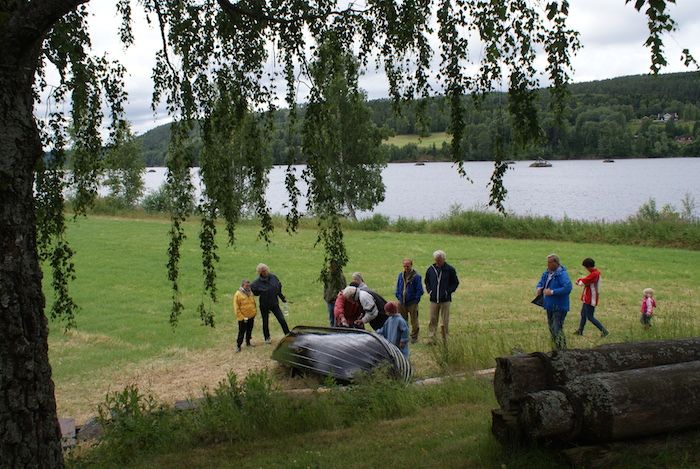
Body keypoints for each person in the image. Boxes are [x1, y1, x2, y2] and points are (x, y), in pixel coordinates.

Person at [536, 253, 572, 350]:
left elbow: (567, 288)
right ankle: (555, 349)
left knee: (557, 329)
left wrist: (552, 292)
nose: (547, 265)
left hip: (559, 306)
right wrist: (539, 287)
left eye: (549, 263)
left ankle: (563, 350)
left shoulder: (562, 274)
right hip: (549, 305)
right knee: (552, 329)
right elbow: (541, 282)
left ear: (555, 263)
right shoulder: (547, 273)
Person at [424, 250, 459, 343]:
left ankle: (445, 338)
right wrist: (430, 291)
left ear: (443, 259)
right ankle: (432, 338)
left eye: (439, 260)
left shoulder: (450, 269)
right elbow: (426, 281)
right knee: (432, 319)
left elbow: (455, 283)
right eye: (436, 260)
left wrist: (448, 292)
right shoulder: (431, 269)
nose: (437, 262)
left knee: (445, 320)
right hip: (434, 300)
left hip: (445, 300)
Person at [250, 263, 290, 344]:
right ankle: (267, 338)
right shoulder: (256, 283)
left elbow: (278, 289)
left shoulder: (273, 277)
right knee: (265, 322)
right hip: (264, 305)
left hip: (274, 303)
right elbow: (254, 292)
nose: (265, 272)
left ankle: (287, 334)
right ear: (260, 272)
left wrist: (283, 298)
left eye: (266, 270)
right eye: (263, 271)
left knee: (282, 319)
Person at [574, 258, 609, 337]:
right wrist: (581, 280)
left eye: (586, 268)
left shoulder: (594, 274)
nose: (586, 269)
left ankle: (604, 331)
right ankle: (580, 330)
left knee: (590, 317)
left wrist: (579, 281)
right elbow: (585, 280)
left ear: (589, 267)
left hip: (590, 298)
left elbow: (583, 282)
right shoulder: (595, 273)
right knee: (583, 314)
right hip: (587, 297)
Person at [395, 258, 424, 343]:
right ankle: (404, 336)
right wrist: (398, 296)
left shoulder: (416, 277)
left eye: (407, 266)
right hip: (401, 302)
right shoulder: (400, 275)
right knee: (402, 320)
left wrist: (416, 300)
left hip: (412, 303)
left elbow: (420, 290)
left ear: (411, 265)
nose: (406, 268)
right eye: (404, 266)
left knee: (414, 321)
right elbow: (398, 286)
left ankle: (414, 337)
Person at [233, 279, 257, 352]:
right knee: (241, 331)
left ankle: (248, 342)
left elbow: (253, 303)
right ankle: (238, 345)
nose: (248, 287)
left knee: (249, 330)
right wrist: (241, 317)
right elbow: (236, 307)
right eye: (246, 285)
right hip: (243, 317)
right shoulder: (238, 294)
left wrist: (254, 312)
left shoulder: (250, 292)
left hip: (251, 316)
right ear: (243, 285)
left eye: (249, 285)